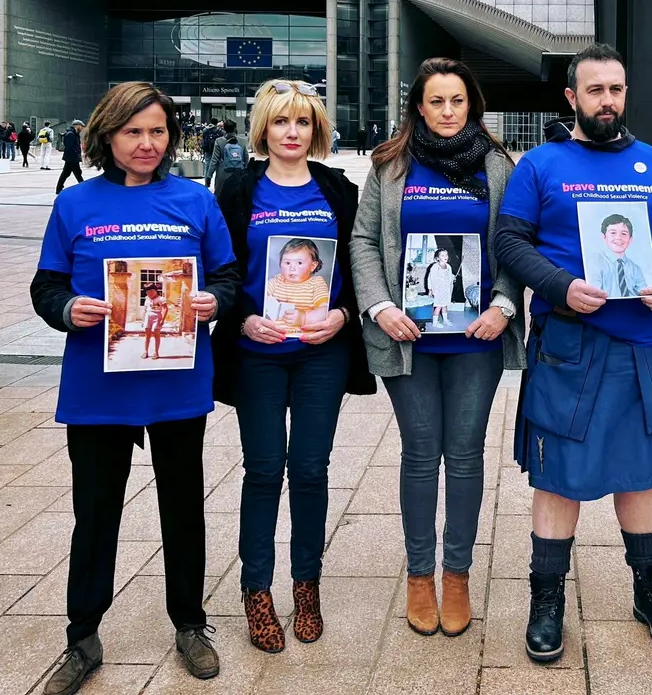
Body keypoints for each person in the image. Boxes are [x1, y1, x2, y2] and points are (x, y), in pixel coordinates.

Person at [30, 82, 241, 694]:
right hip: (98, 387)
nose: (146, 143)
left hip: (176, 381)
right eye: (133, 132)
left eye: (156, 131)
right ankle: (82, 635)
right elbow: (46, 287)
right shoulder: (74, 205)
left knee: (182, 508)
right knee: (94, 513)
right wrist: (69, 308)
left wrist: (213, 302)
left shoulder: (196, 201)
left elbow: (227, 276)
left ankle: (190, 624)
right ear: (107, 136)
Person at [494, 42, 652, 662]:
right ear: (572, 97)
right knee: (559, 479)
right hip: (567, 344)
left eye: (617, 89)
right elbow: (509, 239)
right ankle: (546, 598)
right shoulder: (541, 165)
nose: (607, 101)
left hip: (639, 343)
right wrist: (558, 286)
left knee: (641, 475)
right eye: (595, 90)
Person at [351, 57, 525, 639]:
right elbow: (363, 241)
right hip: (411, 338)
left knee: (467, 455)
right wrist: (380, 307)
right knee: (422, 455)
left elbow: (514, 240)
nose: (448, 112)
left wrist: (503, 305)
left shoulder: (499, 165)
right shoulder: (390, 166)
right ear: (418, 108)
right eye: (436, 102)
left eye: (458, 101)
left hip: (476, 339)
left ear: (471, 104)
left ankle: (457, 575)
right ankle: (420, 576)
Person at [211, 78, 375, 654]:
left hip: (320, 353)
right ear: (264, 128)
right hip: (257, 351)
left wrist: (346, 313)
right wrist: (241, 321)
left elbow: (359, 262)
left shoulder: (337, 189)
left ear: (316, 130)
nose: (291, 132)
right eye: (281, 122)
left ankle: (307, 586)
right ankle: (257, 592)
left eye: (302, 122)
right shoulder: (236, 188)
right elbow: (221, 269)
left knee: (309, 469)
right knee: (262, 471)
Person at [264, 237, 331, 335]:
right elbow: (261, 297)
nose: (292, 268)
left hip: (304, 337)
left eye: (299, 263)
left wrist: (304, 317)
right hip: (276, 336)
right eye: (287, 263)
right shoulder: (277, 281)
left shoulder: (316, 283)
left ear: (313, 266)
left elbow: (325, 310)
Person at [591, 214, 648, 297]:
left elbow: (643, 293)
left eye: (624, 234)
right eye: (613, 233)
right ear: (604, 237)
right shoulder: (594, 263)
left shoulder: (635, 268)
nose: (618, 237)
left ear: (630, 239)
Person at [205, 119, 248, 197]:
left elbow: (214, 161)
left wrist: (209, 176)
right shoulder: (242, 142)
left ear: (224, 129)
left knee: (220, 200)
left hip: (222, 176)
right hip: (238, 175)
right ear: (235, 128)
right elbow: (246, 160)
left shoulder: (219, 141)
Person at [425, 247, 456, 326]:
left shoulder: (448, 267)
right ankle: (435, 323)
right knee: (438, 306)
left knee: (445, 305)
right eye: (442, 255)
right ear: (438, 258)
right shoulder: (435, 267)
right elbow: (430, 278)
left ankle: (445, 319)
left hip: (446, 289)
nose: (445, 256)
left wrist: (453, 277)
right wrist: (430, 289)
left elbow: (449, 277)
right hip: (438, 289)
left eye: (446, 255)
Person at [56, 119, 86, 195]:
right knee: (78, 174)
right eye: (81, 126)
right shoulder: (71, 134)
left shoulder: (74, 134)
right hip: (72, 158)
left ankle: (59, 188)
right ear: (77, 126)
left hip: (71, 158)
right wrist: (75, 157)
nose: (82, 128)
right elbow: (70, 147)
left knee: (66, 173)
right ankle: (84, 188)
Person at [142, 284, 168, 360]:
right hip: (148, 317)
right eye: (148, 292)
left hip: (157, 317)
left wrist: (163, 320)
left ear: (156, 290)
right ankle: (145, 351)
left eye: (152, 291)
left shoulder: (161, 299)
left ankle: (156, 352)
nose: (150, 293)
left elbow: (166, 309)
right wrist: (144, 320)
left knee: (156, 334)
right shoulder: (147, 299)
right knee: (147, 335)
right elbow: (145, 309)